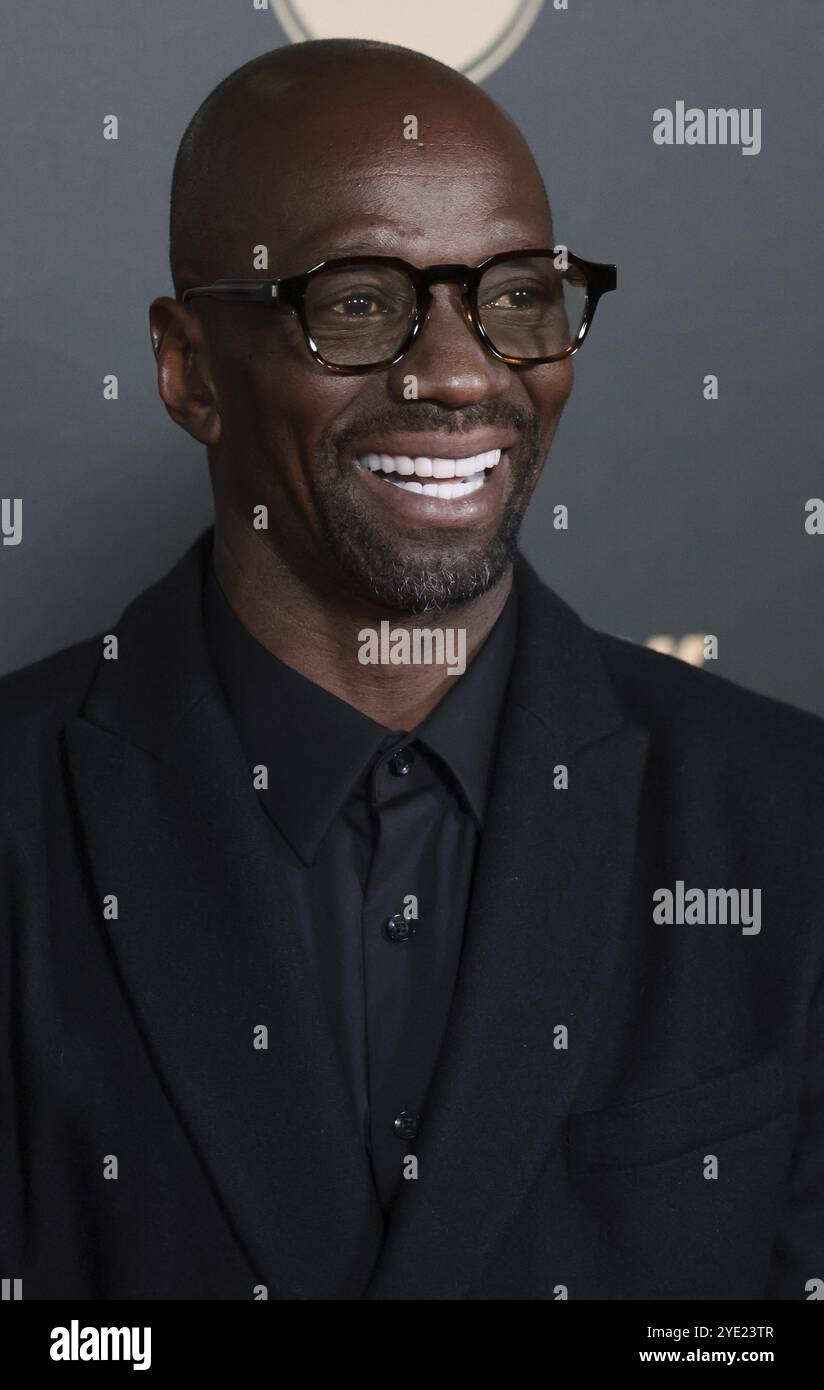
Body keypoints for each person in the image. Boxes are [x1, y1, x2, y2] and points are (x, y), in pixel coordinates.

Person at [1, 39, 821, 1301]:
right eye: (356, 300)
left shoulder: (782, 817)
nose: (457, 372)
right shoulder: (22, 814)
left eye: (517, 294)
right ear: (187, 371)